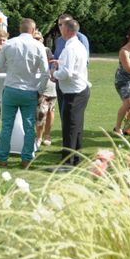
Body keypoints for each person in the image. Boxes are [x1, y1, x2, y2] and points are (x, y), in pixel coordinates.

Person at [0, 18, 49, 169]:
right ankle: (26, 158)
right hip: (29, 90)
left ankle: (2, 158)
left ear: (20, 29)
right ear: (33, 30)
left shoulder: (9, 44)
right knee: (29, 126)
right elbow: (45, 73)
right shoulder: (39, 46)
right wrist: (40, 90)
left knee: (6, 126)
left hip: (11, 88)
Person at [50, 19, 90, 167]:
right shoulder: (77, 45)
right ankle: (76, 160)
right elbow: (72, 66)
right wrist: (60, 64)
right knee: (76, 128)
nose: (60, 29)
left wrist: (54, 73)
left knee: (70, 129)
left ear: (66, 31)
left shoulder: (70, 48)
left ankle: (67, 163)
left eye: (61, 27)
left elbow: (67, 72)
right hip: (79, 90)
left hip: (74, 92)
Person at [53, 14, 89, 116]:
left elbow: (83, 61)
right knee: (63, 112)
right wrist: (53, 71)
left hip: (73, 84)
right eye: (59, 24)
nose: (61, 27)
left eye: (64, 24)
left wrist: (59, 72)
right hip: (60, 80)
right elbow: (56, 58)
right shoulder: (59, 40)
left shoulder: (80, 39)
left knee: (73, 116)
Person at [33, 30, 56, 150]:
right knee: (40, 112)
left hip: (49, 84)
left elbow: (52, 64)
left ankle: (47, 135)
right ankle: (38, 136)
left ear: (42, 39)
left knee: (50, 110)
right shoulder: (30, 49)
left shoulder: (47, 50)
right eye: (34, 38)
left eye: (38, 38)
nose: (37, 40)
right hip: (35, 84)